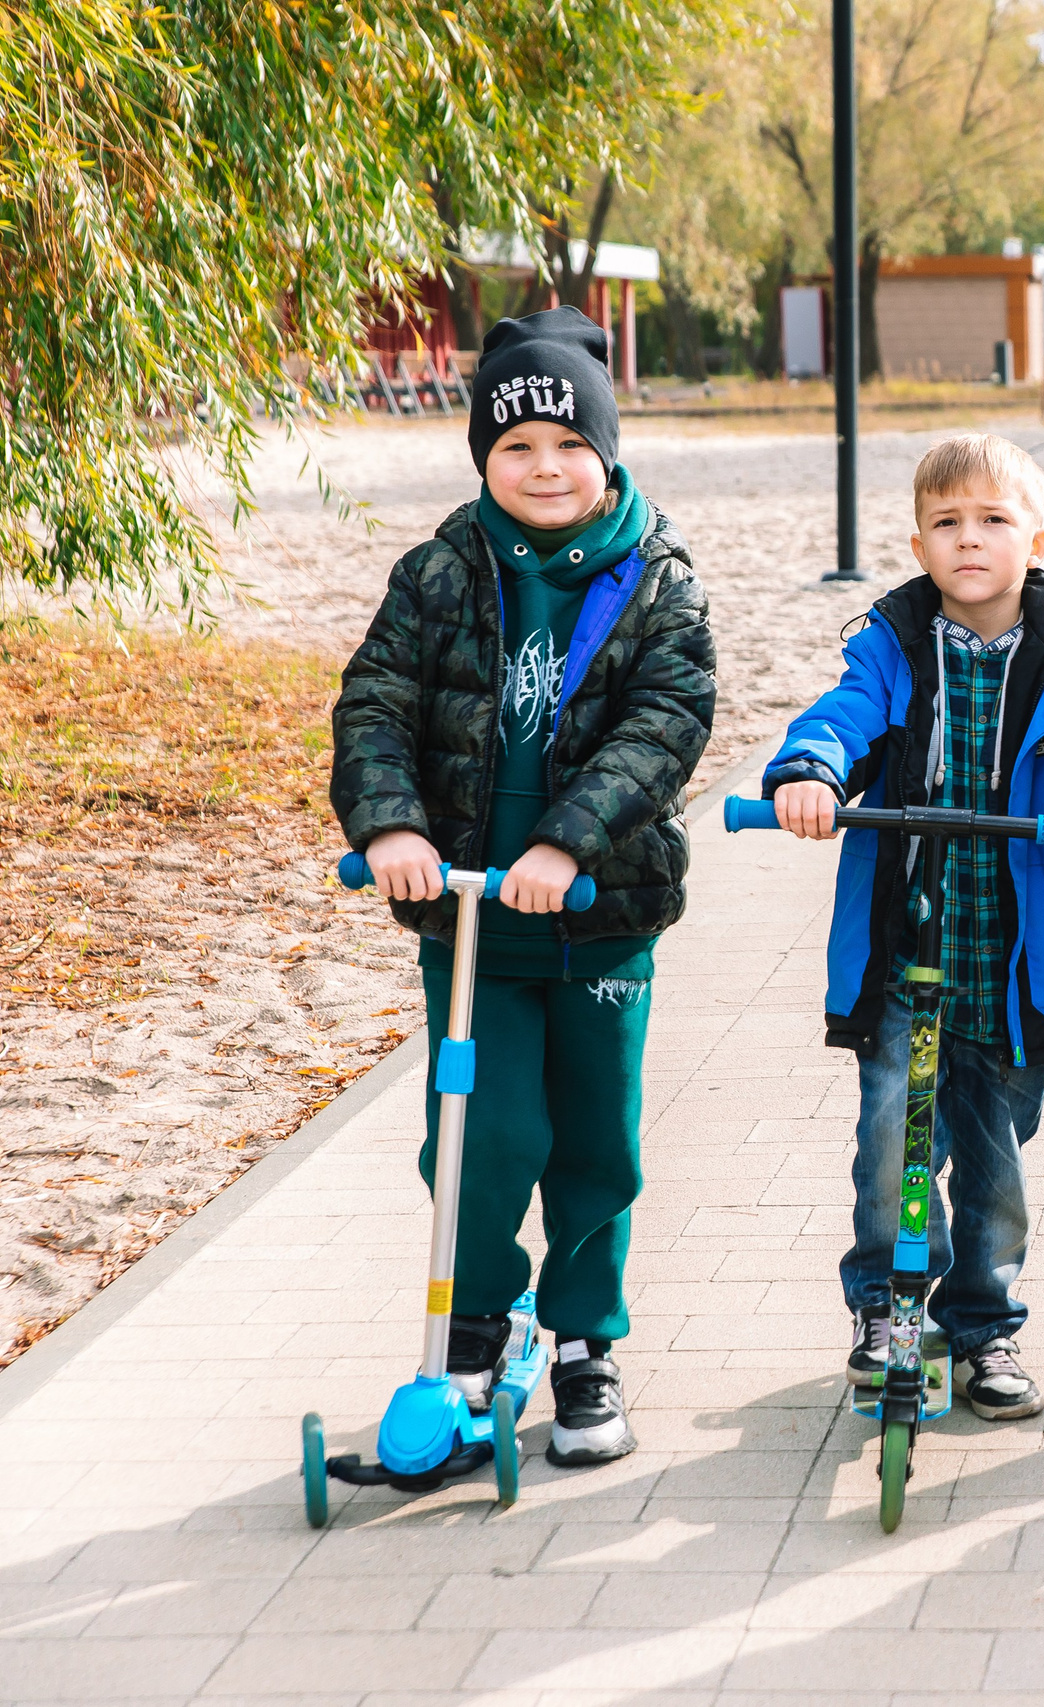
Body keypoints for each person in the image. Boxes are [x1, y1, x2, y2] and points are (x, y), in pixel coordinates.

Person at [333, 306, 716, 1467]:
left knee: (596, 1146)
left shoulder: (658, 580)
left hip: (601, 917)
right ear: (483, 457)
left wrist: (567, 845)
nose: (545, 467)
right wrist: (391, 824)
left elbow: (666, 724)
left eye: (568, 444)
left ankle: (586, 1342)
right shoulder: (438, 572)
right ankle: (472, 1326)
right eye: (516, 447)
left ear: (606, 451)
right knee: (479, 1134)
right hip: (469, 926)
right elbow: (374, 706)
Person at [766, 433, 1044, 1422]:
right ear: (919, 544)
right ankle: (888, 1304)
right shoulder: (893, 645)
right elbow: (844, 714)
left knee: (995, 1157)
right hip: (910, 948)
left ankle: (984, 1325)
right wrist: (811, 771)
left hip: (1013, 966)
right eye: (946, 523)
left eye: (992, 520)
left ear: (1037, 540)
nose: (968, 539)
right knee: (892, 1129)